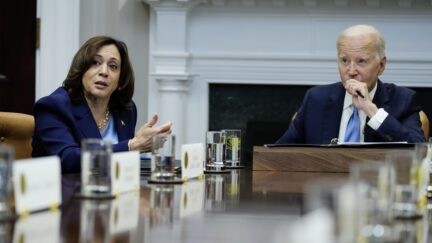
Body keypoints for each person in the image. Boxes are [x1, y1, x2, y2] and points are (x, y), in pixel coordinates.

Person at [32, 36, 172, 173]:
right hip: (64, 192)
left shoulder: (126, 109)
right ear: (81, 70)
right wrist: (131, 146)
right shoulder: (53, 107)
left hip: (111, 191)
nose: (104, 72)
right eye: (95, 63)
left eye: (113, 66)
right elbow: (68, 159)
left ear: (120, 79)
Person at [276, 25, 425, 144]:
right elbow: (279, 152)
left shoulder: (403, 100)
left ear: (381, 65)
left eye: (361, 61)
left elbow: (419, 153)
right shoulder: (316, 99)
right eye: (345, 60)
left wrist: (371, 110)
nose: (351, 71)